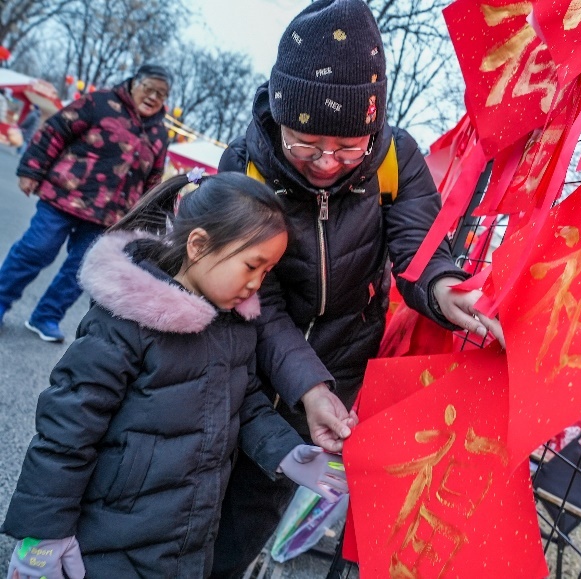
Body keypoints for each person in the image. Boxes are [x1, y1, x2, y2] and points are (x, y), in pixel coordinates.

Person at [212, 0, 503, 575]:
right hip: (247, 365)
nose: (326, 162)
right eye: (305, 142)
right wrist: (303, 382)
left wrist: (447, 289)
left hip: (337, 368)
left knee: (248, 519)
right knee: (190, 500)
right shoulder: (246, 165)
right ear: (279, 114)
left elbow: (419, 246)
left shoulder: (395, 157)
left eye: (348, 147)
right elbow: (257, 298)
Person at [1, 172, 350, 578]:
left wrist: (288, 452)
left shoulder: (234, 326)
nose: (256, 284)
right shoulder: (125, 324)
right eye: (251, 266)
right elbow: (65, 432)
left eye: (266, 272)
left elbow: (246, 403)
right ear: (198, 245)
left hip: (186, 537)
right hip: (107, 536)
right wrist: (43, 533)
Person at [0, 64, 172, 343]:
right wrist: (31, 170)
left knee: (80, 270)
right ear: (134, 83)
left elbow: (153, 180)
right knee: (35, 249)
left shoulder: (159, 134)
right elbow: (55, 131)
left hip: (110, 216)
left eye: (161, 94)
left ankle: (46, 317)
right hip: (63, 195)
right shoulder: (99, 102)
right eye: (149, 88)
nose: (153, 97)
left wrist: (144, 219)